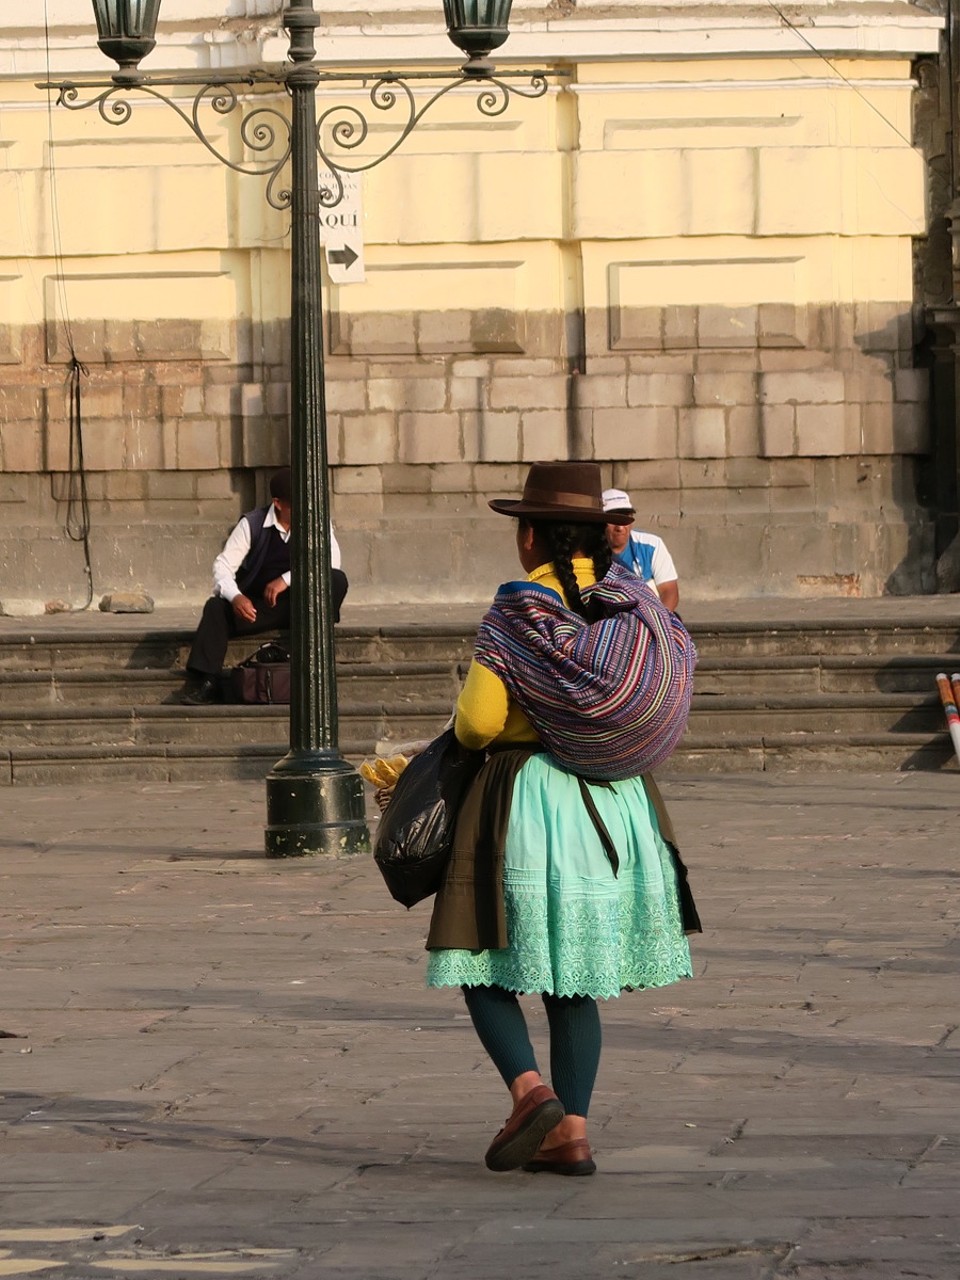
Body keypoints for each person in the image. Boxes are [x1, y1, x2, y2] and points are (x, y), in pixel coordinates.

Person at [425, 461, 699, 1176]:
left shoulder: (518, 608)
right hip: (616, 802)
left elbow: (481, 722)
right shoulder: (633, 598)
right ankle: (570, 1132)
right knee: (574, 977)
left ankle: (528, 1091)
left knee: (480, 956)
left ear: (532, 538)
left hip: (527, 800)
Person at [180, 466, 348, 705]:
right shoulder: (253, 523)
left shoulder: (317, 522)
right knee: (216, 607)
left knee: (336, 580)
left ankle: (316, 661)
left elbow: (331, 563)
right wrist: (236, 597)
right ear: (278, 504)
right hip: (259, 608)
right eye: (296, 505)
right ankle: (210, 682)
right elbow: (222, 566)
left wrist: (287, 579)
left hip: (301, 608)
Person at [602, 488, 680, 612]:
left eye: (625, 519)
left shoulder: (652, 545)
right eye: (613, 520)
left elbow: (669, 591)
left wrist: (657, 621)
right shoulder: (590, 551)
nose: (620, 527)